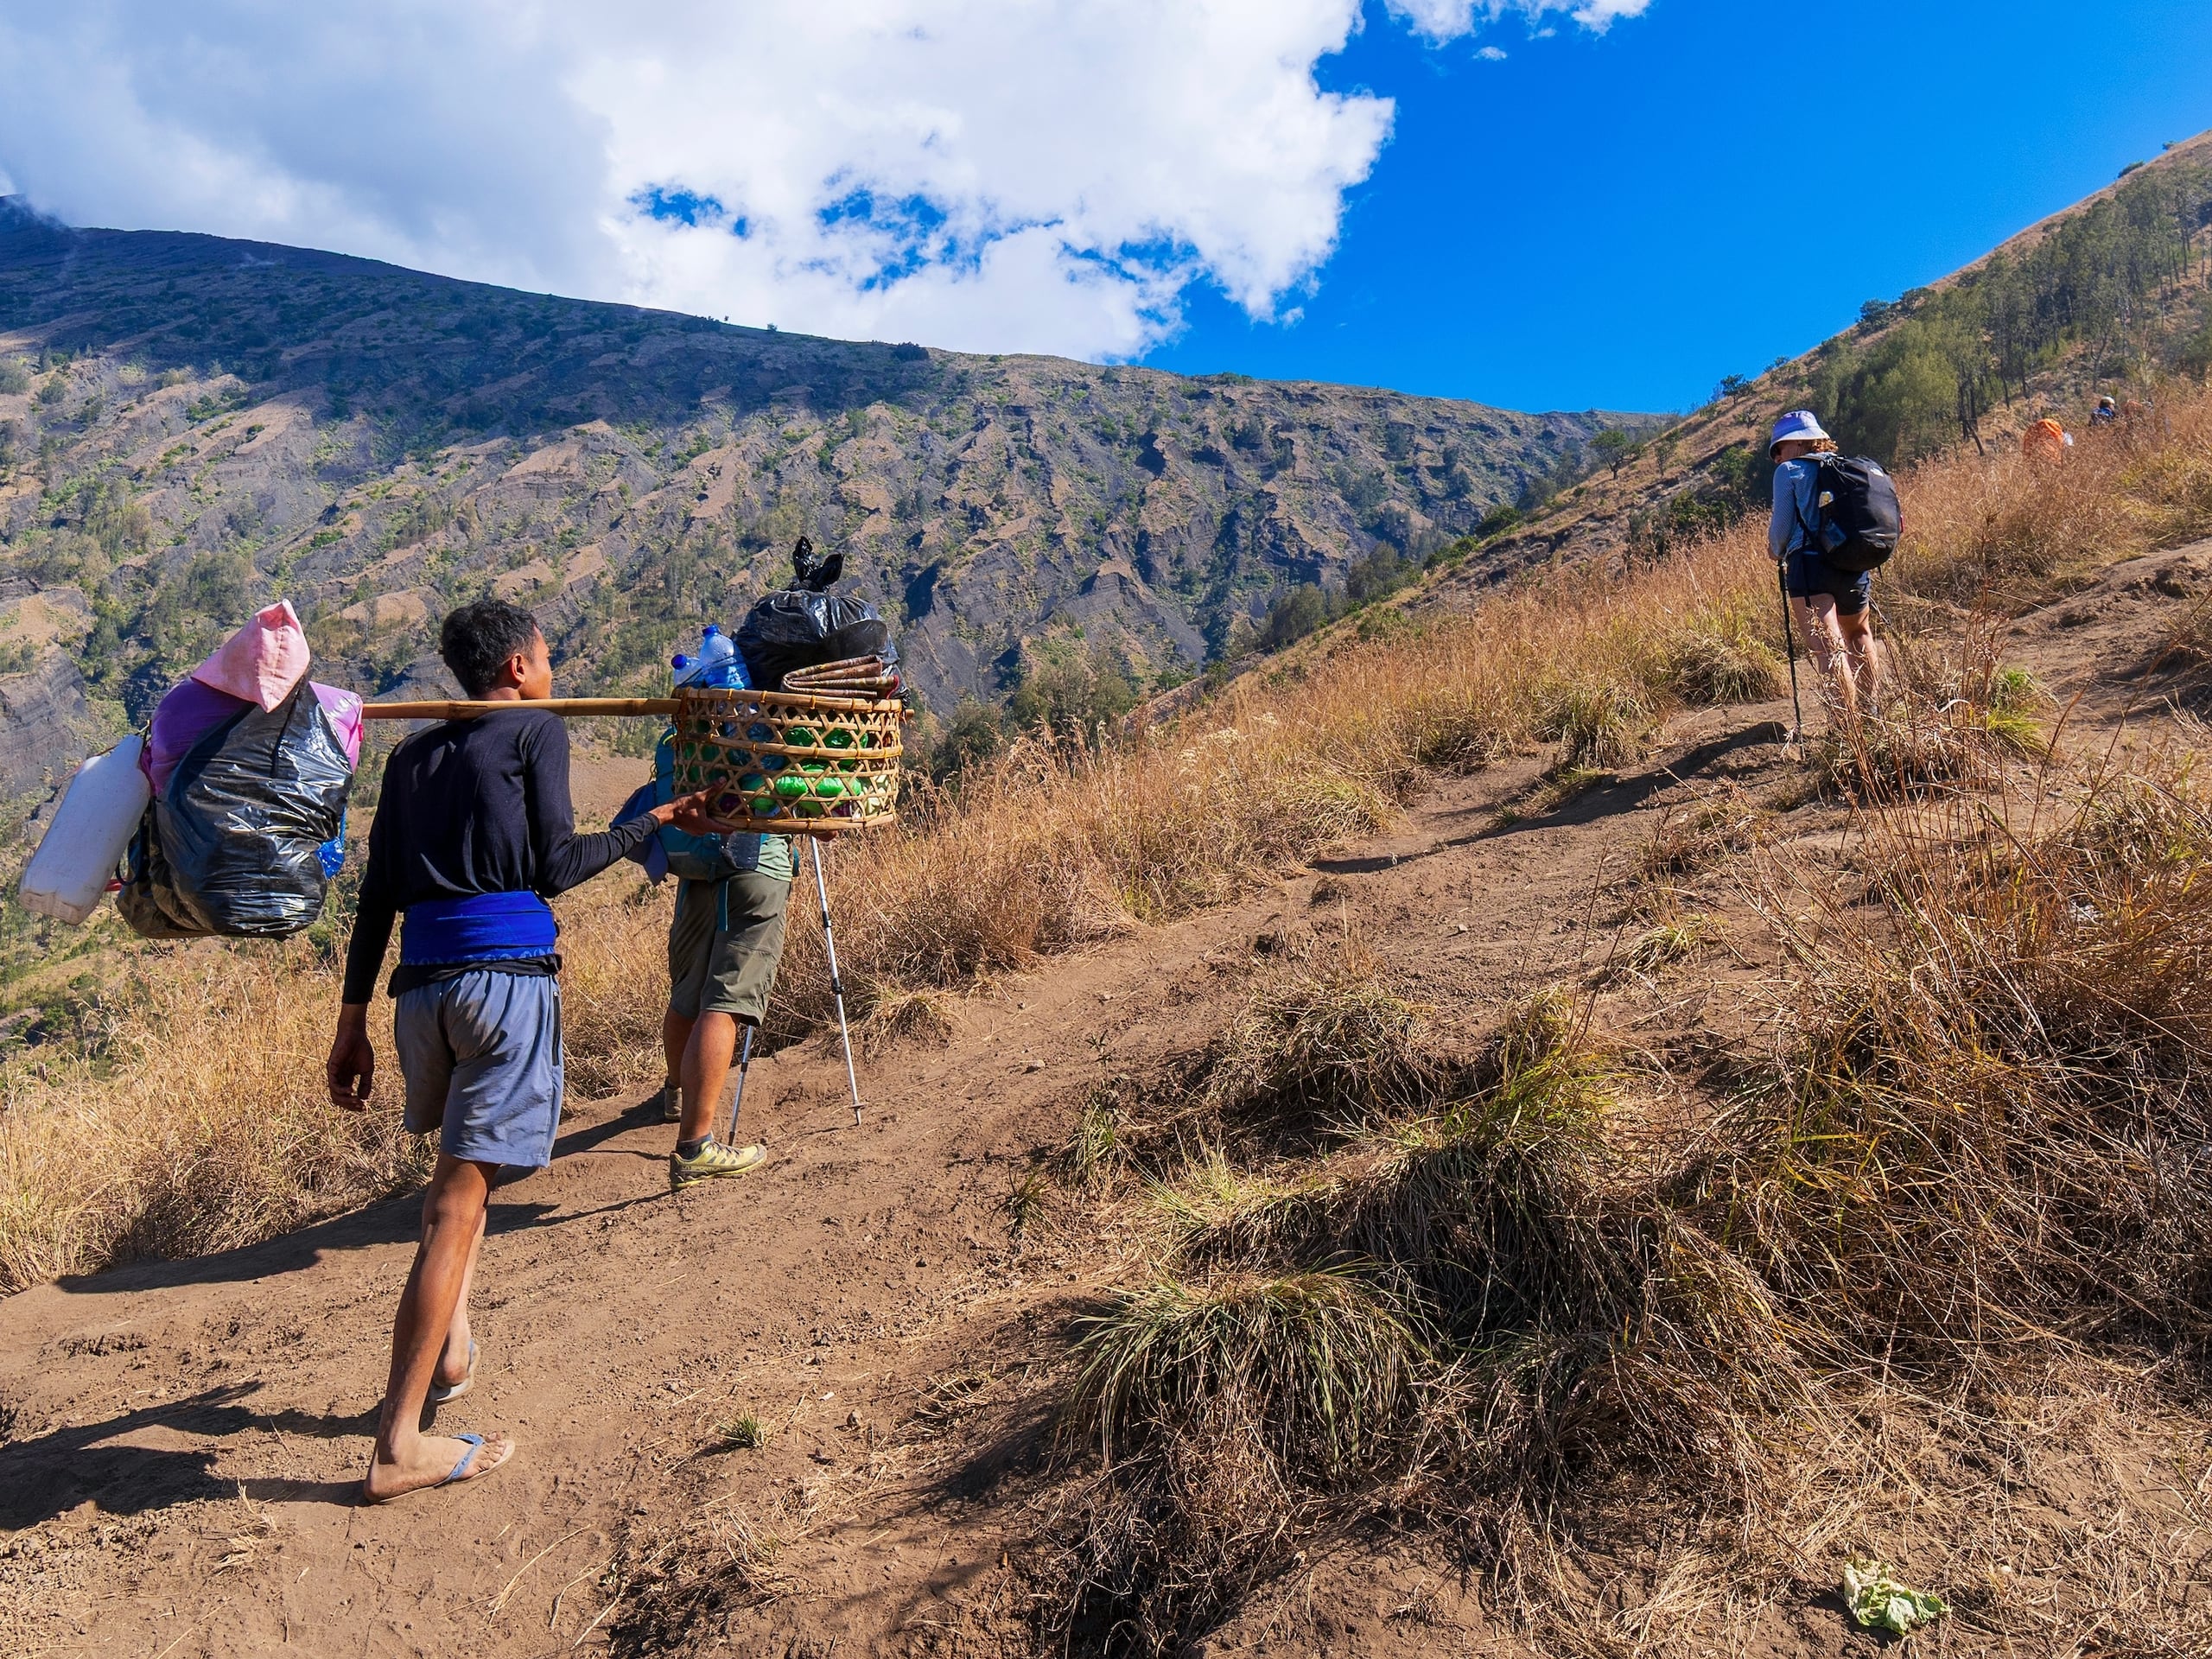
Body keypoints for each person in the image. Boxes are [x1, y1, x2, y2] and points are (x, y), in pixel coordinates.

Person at [327, 598, 717, 1503]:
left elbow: (377, 894)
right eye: (547, 653)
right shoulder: (535, 731)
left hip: (418, 997)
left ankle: (452, 1347)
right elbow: (555, 867)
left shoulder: (413, 754)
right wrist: (651, 822)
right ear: (516, 668)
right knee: (455, 1211)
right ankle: (398, 1445)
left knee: (452, 1185)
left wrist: (351, 1019)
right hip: (500, 985)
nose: (552, 666)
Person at [1769, 410, 1882, 718]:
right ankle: (1871, 714)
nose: (1777, 457)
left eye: (1777, 449)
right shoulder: (1846, 466)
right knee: (1859, 634)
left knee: (1828, 648)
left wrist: (1774, 551)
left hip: (1809, 566)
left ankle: (1846, 727)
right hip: (1852, 562)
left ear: (1794, 444)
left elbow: (1780, 533)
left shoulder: (1789, 470)